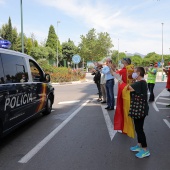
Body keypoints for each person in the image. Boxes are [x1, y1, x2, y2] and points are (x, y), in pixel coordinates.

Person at [127, 67, 150, 158]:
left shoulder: (141, 83)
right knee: (137, 128)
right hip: (140, 109)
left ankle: (145, 150)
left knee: (139, 129)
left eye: (135, 72)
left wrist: (120, 79)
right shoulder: (140, 83)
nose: (133, 73)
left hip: (140, 109)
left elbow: (127, 88)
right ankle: (139, 145)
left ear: (139, 73)